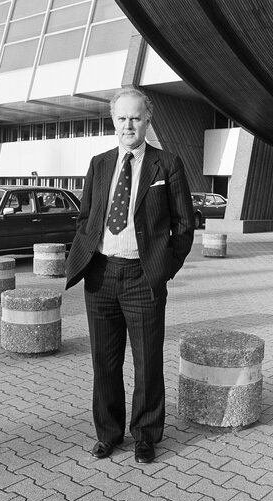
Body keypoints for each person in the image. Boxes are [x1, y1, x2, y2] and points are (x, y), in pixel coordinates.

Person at [66, 87, 194, 463]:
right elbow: (85, 216)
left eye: (135, 117)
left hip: (143, 278)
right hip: (101, 275)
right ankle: (108, 434)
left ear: (147, 119)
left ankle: (146, 435)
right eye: (121, 118)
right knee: (104, 363)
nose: (128, 125)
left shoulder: (167, 164)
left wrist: (164, 267)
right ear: (113, 121)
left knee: (147, 361)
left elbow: (184, 224)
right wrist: (84, 250)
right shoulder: (100, 163)